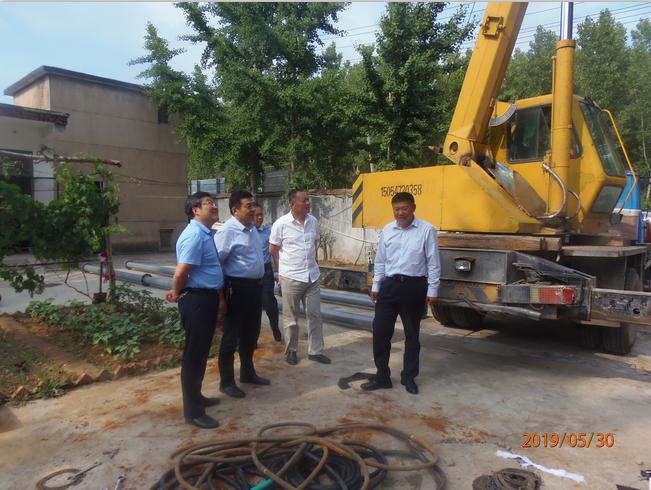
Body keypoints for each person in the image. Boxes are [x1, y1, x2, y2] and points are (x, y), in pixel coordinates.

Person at [361, 192, 440, 395]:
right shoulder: (387, 230)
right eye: (397, 209)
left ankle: (409, 377)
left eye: (405, 208)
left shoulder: (427, 230)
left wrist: (433, 289)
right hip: (389, 287)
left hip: (414, 288)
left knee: (412, 335)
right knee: (380, 332)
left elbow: (433, 262)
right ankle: (382, 376)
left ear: (413, 207)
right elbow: (380, 261)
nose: (401, 212)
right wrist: (376, 286)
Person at [166, 192, 224, 429]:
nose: (214, 206)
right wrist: (175, 292)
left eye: (214, 202)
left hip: (206, 298)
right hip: (196, 300)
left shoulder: (204, 233)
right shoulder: (194, 235)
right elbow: (181, 273)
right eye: (208, 203)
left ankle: (197, 397)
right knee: (193, 356)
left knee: (200, 353)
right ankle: (193, 412)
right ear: (195, 210)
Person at [214, 190, 269, 399]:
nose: (253, 209)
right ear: (235, 210)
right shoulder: (227, 231)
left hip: (255, 287)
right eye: (248, 206)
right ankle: (226, 381)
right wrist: (221, 297)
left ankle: (247, 372)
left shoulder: (252, 228)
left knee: (250, 333)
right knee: (231, 336)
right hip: (236, 289)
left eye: (253, 205)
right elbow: (217, 264)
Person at [269, 189, 330, 366]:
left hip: (312, 276)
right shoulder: (281, 224)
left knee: (315, 314)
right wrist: (281, 271)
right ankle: (292, 350)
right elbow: (273, 250)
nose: (308, 203)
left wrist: (315, 264)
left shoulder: (313, 221)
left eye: (308, 200)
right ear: (293, 204)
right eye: (304, 200)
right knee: (291, 318)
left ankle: (316, 351)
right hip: (291, 277)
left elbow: (314, 245)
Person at [253, 203, 282, 342]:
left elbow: (276, 251)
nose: (259, 218)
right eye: (256, 215)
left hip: (266, 271)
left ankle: (275, 328)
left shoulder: (268, 232)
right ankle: (252, 339)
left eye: (261, 215)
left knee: (270, 303)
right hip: (250, 273)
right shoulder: (245, 232)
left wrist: (279, 272)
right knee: (253, 308)